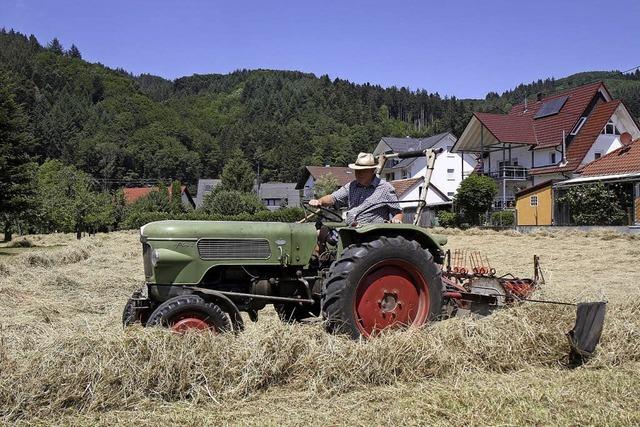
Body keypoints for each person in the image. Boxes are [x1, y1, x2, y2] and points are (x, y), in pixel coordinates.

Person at [309, 152, 403, 225]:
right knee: (322, 233)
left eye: (363, 171)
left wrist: (396, 219)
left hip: (371, 234)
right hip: (351, 230)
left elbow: (398, 212)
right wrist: (320, 201)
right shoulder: (352, 186)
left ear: (372, 170)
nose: (359, 174)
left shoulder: (385, 189)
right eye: (357, 170)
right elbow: (333, 197)